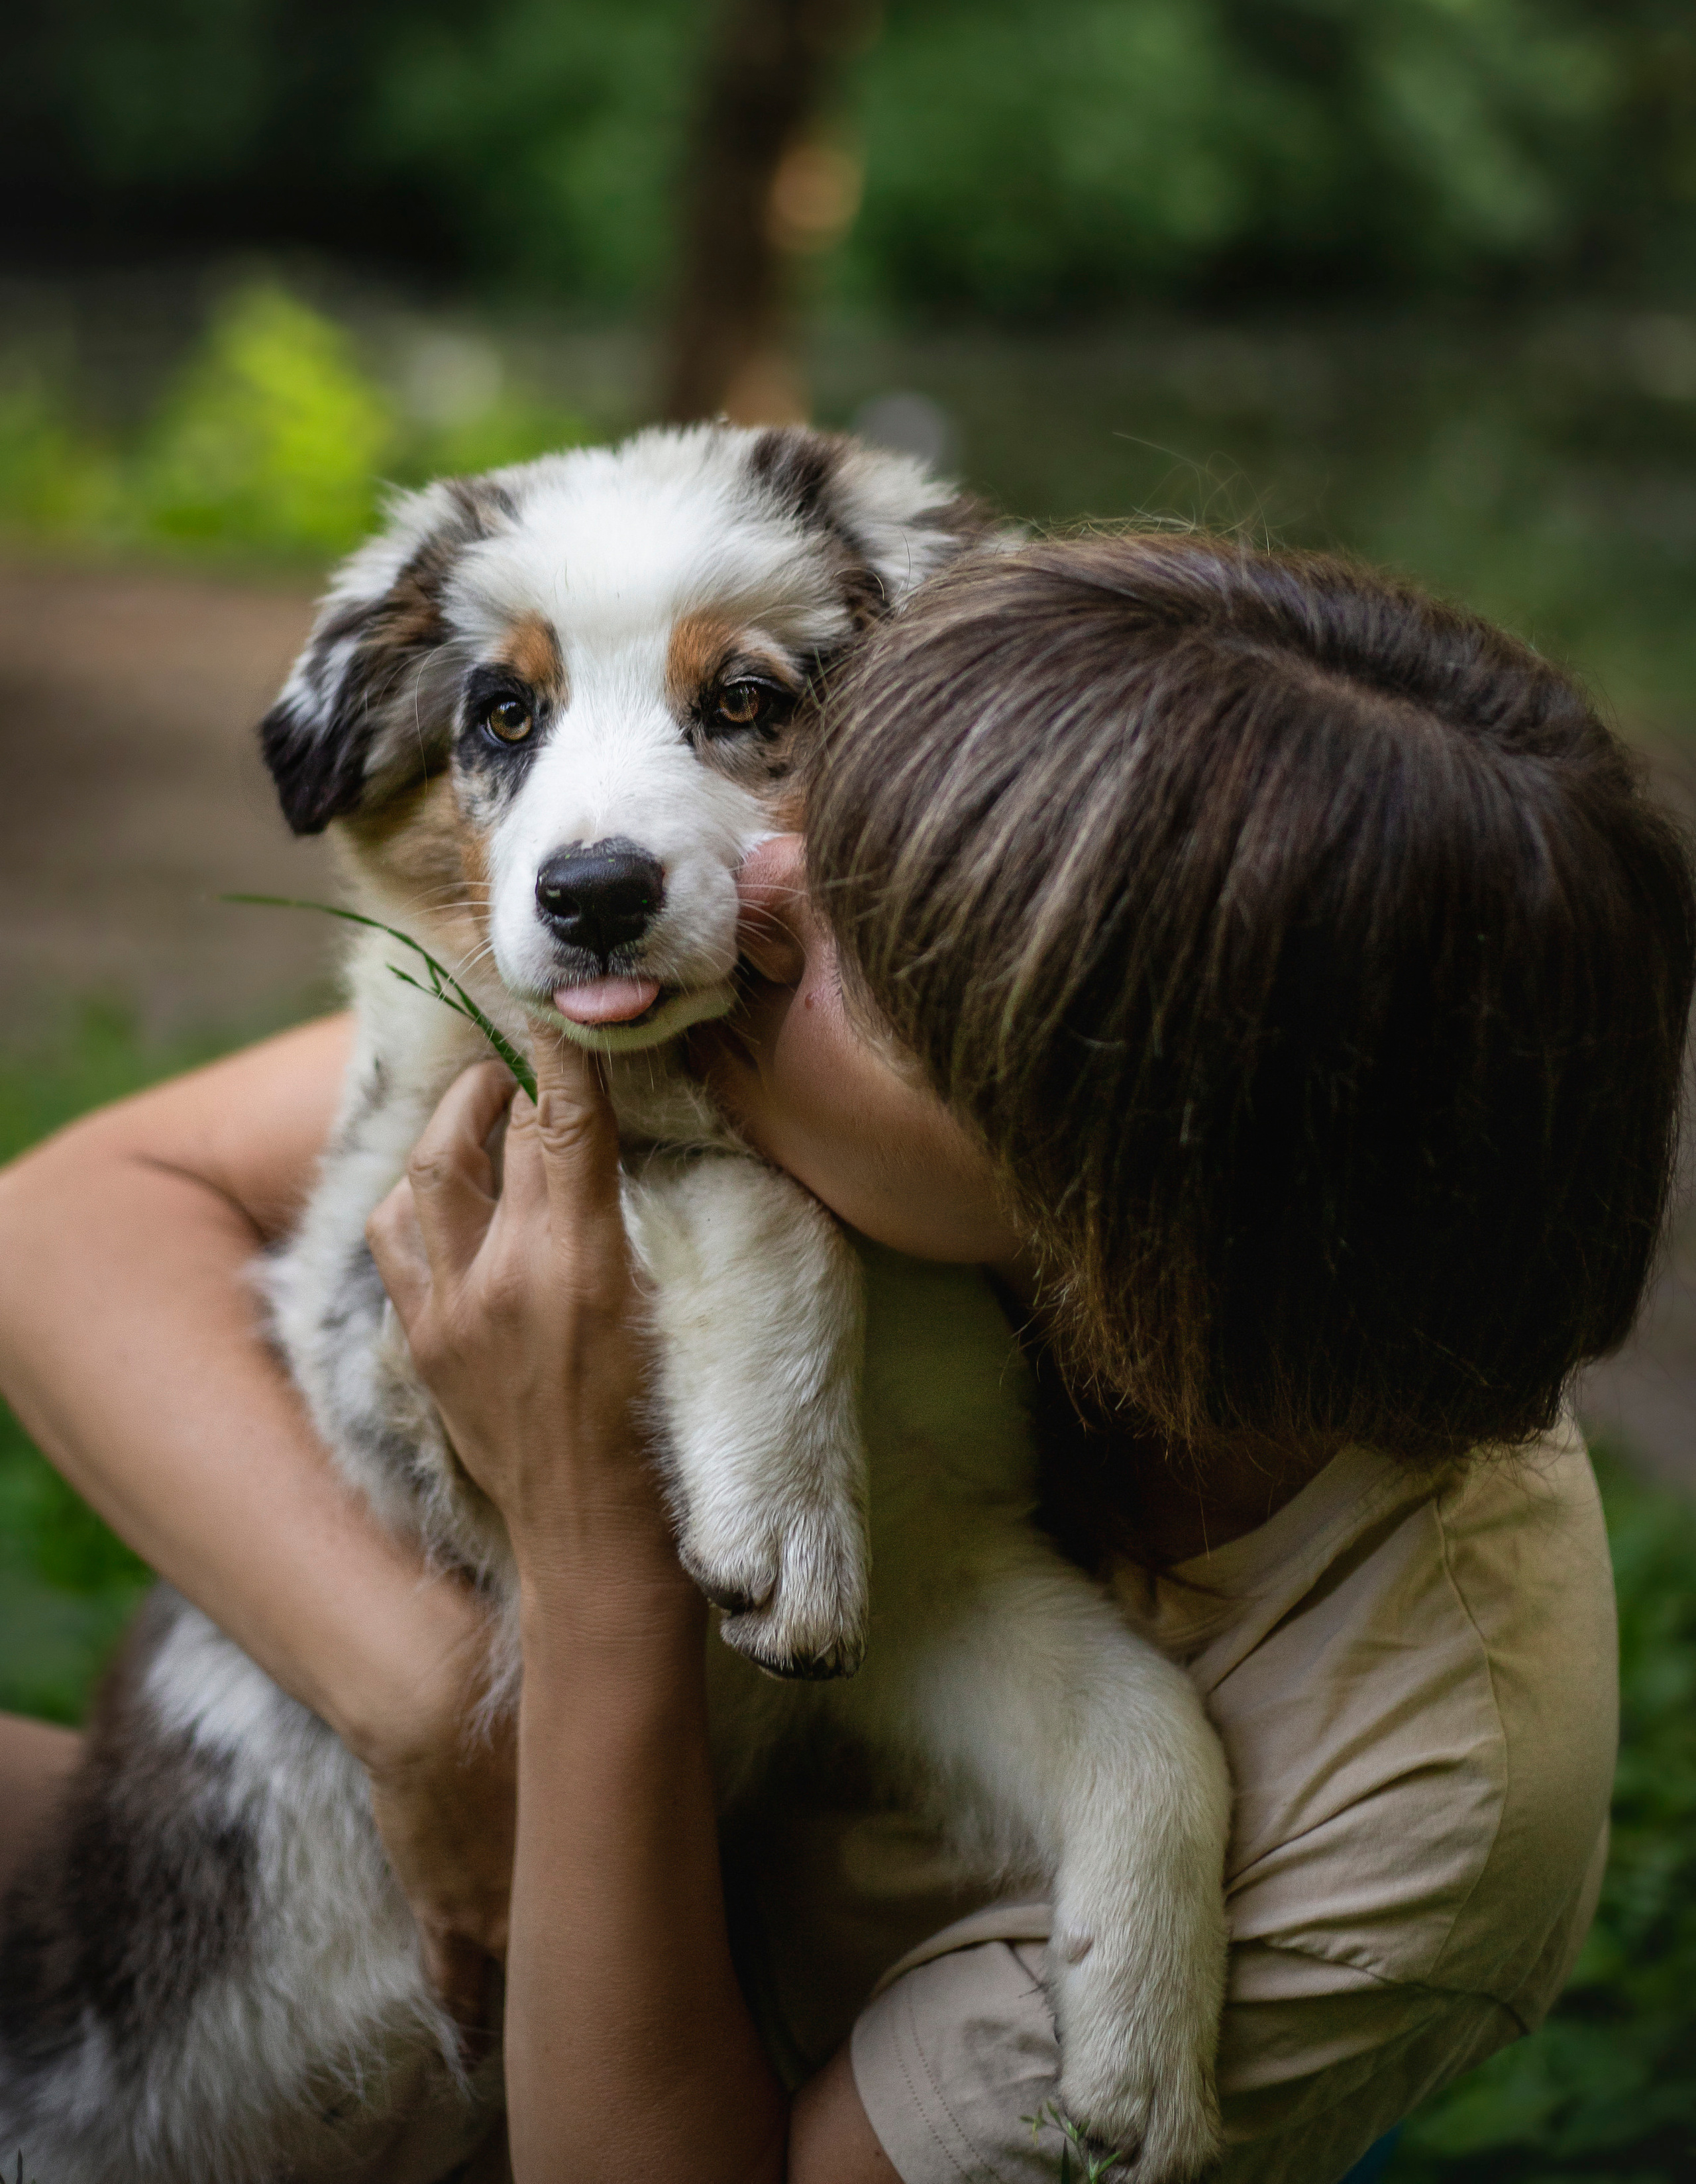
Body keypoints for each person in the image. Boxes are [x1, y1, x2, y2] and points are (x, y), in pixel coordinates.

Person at [0, 532, 1691, 2184]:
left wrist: (595, 1561)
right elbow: (63, 1227)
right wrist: (428, 1713)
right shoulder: (758, 1053)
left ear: (1113, 1181)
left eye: (898, 945)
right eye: (853, 817)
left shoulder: (1411, 1807)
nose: (757, 879)